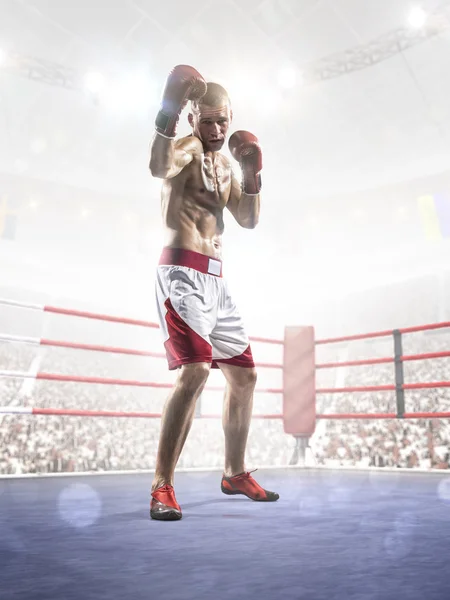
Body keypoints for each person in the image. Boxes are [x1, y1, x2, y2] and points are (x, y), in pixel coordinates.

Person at [149, 65, 279, 521]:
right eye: (208, 121)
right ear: (192, 120)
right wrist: (166, 114)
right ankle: (162, 485)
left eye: (223, 120)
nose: (218, 129)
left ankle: (235, 472)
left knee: (244, 377)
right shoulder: (183, 148)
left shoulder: (225, 165)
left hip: (217, 281)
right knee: (196, 372)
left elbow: (247, 219)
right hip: (182, 273)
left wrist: (252, 174)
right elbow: (157, 166)